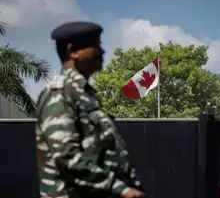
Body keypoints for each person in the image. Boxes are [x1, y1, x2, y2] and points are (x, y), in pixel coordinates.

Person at [36, 21, 145, 198]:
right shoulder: (60, 93)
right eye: (95, 46)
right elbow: (66, 156)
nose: (102, 52)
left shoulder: (85, 94)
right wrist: (121, 189)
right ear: (72, 52)